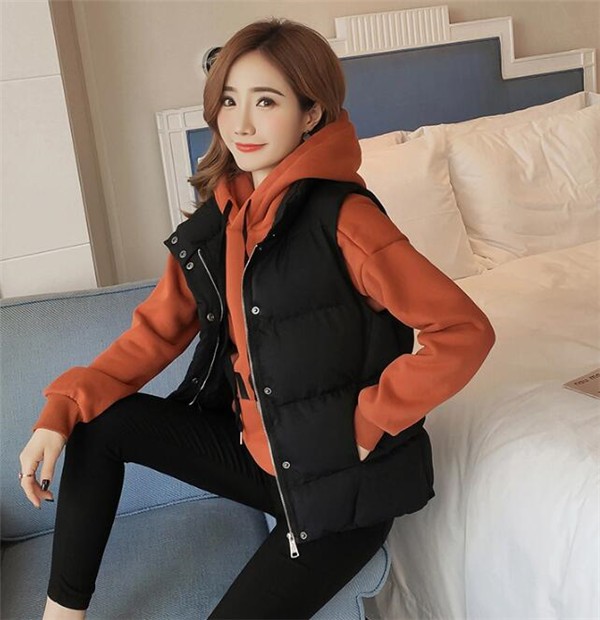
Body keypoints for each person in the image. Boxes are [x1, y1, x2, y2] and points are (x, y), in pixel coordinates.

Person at [19, 17, 496, 620]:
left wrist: (366, 421)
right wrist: (61, 409)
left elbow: (464, 331)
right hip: (259, 454)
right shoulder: (222, 219)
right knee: (98, 419)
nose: (240, 124)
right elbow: (155, 332)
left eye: (266, 102)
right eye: (229, 100)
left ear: (311, 113)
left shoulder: (346, 220)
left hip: (338, 481)